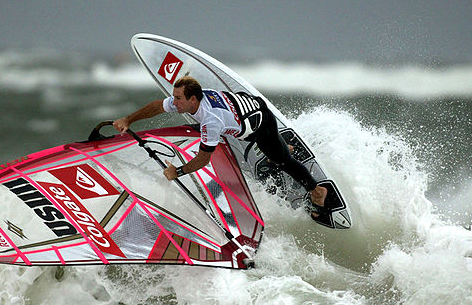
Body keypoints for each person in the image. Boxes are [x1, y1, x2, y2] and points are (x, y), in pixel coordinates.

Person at [112, 76, 328, 218]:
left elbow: (203, 159)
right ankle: (281, 147)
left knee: (282, 161)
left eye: (178, 98)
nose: (174, 102)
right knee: (257, 144)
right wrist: (129, 120)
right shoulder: (194, 100)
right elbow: (158, 106)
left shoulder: (211, 121)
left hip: (258, 122)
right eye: (174, 97)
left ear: (193, 99)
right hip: (241, 105)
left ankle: (317, 191)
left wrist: (176, 172)